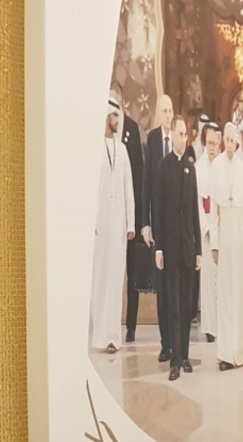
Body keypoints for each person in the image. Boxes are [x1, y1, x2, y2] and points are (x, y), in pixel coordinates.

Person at [153, 116, 202, 381]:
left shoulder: (190, 169)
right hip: (170, 248)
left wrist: (198, 252)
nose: (184, 138)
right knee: (172, 302)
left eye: (186, 134)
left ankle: (184, 355)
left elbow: (194, 211)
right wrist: (158, 248)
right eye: (180, 133)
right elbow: (158, 209)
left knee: (186, 304)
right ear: (173, 134)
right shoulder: (163, 167)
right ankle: (173, 359)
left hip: (187, 247)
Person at [89, 95, 135, 354]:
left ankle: (112, 337)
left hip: (118, 224)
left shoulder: (124, 150)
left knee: (116, 277)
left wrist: (131, 223)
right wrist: (92, 222)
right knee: (101, 277)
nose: (119, 121)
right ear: (107, 116)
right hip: (100, 224)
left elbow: (128, 186)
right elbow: (91, 189)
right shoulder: (96, 147)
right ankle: (99, 336)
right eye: (115, 116)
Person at [210, 122, 243, 371]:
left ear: (237, 142)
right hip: (225, 244)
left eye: (232, 141)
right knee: (225, 297)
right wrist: (214, 246)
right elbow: (213, 214)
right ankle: (225, 354)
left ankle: (240, 352)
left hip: (239, 241)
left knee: (239, 296)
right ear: (222, 141)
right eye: (225, 141)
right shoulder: (216, 167)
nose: (228, 146)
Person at [110, 81, 148, 343]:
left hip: (129, 209)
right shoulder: (102, 130)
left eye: (116, 101)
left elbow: (139, 174)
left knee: (132, 273)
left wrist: (137, 218)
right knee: (112, 268)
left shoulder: (132, 129)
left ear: (122, 103)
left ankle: (131, 326)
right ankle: (112, 321)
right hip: (111, 210)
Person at [142, 94, 175, 362]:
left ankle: (177, 342)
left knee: (176, 286)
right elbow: (146, 183)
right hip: (157, 227)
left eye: (171, 110)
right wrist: (145, 223)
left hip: (175, 228)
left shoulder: (178, 140)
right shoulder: (152, 140)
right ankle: (166, 344)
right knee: (162, 287)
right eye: (164, 110)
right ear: (158, 112)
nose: (168, 114)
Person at [196, 123, 221, 343]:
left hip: (223, 230)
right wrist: (206, 228)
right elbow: (198, 202)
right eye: (209, 143)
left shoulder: (224, 166)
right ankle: (210, 328)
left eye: (215, 143)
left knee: (222, 280)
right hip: (205, 231)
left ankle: (223, 324)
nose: (212, 147)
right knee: (207, 281)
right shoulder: (199, 167)